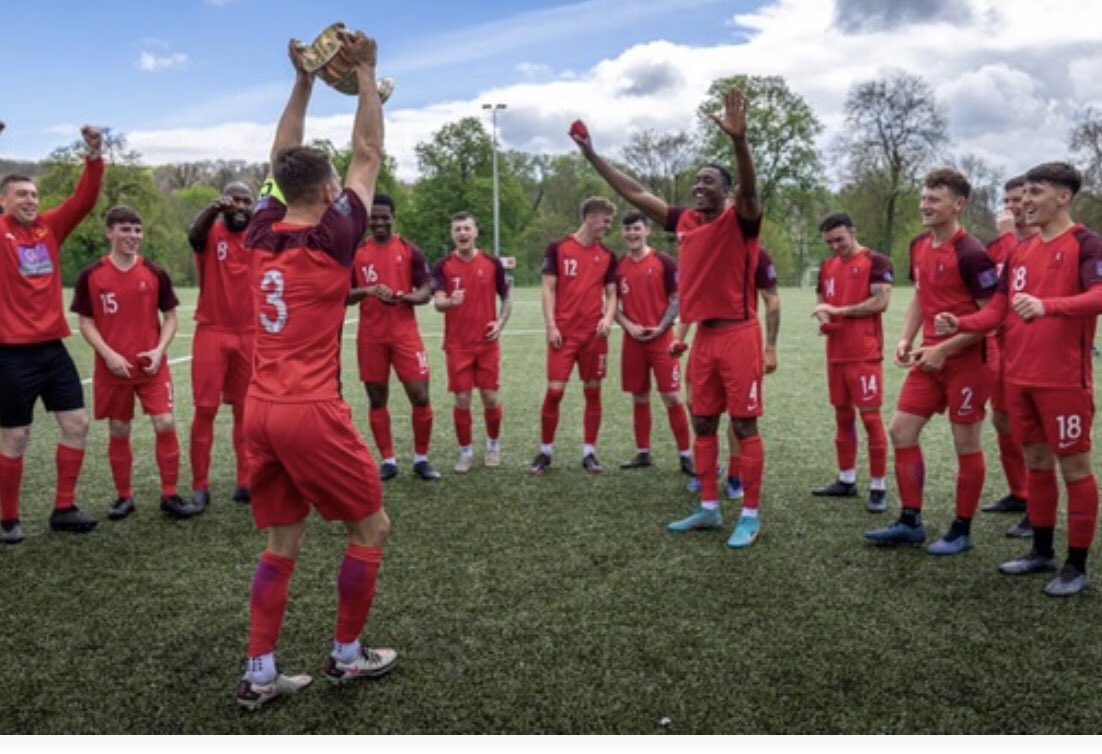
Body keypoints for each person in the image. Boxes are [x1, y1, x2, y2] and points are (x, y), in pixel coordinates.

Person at [236, 32, 397, 711]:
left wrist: (304, 80)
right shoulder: (334, 235)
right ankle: (348, 657)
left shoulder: (260, 229)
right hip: (308, 410)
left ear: (281, 188)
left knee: (282, 540)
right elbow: (367, 152)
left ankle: (261, 673)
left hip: (260, 410)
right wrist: (365, 72)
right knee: (371, 528)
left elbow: (281, 156)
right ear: (328, 190)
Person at [572, 89, 767, 548]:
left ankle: (750, 516)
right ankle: (709, 508)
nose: (699, 187)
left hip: (740, 335)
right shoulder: (682, 221)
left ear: (726, 190)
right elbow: (633, 190)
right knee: (703, 422)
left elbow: (751, 189)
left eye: (708, 182)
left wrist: (740, 143)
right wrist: (592, 154)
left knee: (743, 426)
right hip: (703, 339)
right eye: (695, 182)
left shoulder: (742, 219)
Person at [936, 161, 1102, 597]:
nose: (1024, 201)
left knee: (1076, 469)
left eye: (1035, 193)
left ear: (1063, 197)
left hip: (1064, 382)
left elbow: (1098, 295)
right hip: (1019, 379)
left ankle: (1077, 565)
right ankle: (1042, 551)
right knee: (1038, 465)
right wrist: (964, 322)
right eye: (1023, 193)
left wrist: (1050, 306)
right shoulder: (1018, 253)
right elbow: (998, 311)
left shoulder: (1086, 242)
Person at [865, 169, 998, 555]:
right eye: (924, 198)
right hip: (929, 356)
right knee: (902, 430)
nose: (925, 205)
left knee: (965, 444)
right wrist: (908, 337)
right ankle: (910, 521)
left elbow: (992, 318)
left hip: (970, 360)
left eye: (934, 199)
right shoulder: (919, 245)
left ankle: (961, 529)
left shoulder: (972, 253)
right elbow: (922, 296)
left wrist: (947, 347)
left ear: (958, 204)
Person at [0, 125, 103, 545]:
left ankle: (64, 507)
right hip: (9, 354)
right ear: (3, 200)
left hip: (51, 349)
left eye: (34, 195)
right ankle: (7, 518)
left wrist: (94, 155)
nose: (30, 201)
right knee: (16, 435)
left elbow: (84, 199)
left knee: (77, 423)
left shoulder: (48, 228)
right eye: (21, 195)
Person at [70, 205, 192, 519]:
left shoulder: (154, 272)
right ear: (109, 232)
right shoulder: (91, 275)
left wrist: (159, 349)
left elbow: (170, 317)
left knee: (165, 422)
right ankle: (124, 496)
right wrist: (108, 354)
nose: (133, 236)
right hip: (112, 369)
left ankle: (170, 494)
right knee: (120, 428)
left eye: (137, 230)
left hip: (151, 366)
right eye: (125, 229)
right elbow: (85, 322)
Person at [347, 194, 439, 481]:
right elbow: (344, 296)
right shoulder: (356, 252)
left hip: (404, 335)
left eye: (384, 216)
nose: (379, 222)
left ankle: (421, 459)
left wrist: (404, 297)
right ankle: (388, 461)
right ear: (367, 220)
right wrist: (369, 290)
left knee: (420, 395)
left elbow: (426, 291)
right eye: (374, 217)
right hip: (371, 337)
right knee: (377, 399)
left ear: (393, 217)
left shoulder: (410, 250)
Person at [527, 197, 618, 475]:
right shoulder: (558, 248)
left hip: (594, 335)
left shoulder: (608, 255)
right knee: (555, 391)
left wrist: (607, 317)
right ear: (590, 217)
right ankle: (545, 451)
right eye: (605, 220)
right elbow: (547, 289)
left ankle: (589, 452)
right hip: (563, 334)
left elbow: (613, 294)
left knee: (593, 390)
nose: (608, 225)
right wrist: (551, 325)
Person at [681, 246, 780, 500]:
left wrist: (770, 347)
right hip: (705, 337)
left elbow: (771, 299)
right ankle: (708, 473)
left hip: (739, 338)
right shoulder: (700, 250)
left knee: (740, 415)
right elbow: (690, 299)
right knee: (697, 407)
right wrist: (678, 338)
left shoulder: (756, 253)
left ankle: (736, 476)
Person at [810, 212, 893, 513]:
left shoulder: (876, 261)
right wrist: (823, 313)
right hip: (836, 354)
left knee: (870, 419)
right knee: (842, 417)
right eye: (829, 242)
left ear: (853, 232)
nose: (835, 246)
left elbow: (881, 302)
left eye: (840, 240)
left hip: (865, 354)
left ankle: (878, 486)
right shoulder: (827, 266)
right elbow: (822, 298)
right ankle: (846, 480)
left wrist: (839, 310)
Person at [186, 181, 256, 511]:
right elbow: (193, 234)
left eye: (247, 201)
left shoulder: (260, 237)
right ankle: (200, 486)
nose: (240, 206)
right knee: (205, 409)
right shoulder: (210, 232)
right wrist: (214, 207)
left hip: (249, 333)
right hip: (212, 331)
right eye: (235, 200)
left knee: (246, 410)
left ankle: (246, 481)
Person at [980, 175, 1037, 539]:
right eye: (1009, 199)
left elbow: (1029, 284)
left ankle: (1037, 504)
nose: (1013, 205)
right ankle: (1019, 493)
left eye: (1020, 198)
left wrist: (1007, 238)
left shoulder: (1036, 242)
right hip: (1001, 345)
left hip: (1033, 348)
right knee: (1001, 420)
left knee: (1031, 430)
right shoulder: (994, 247)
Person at [431, 212, 511, 472]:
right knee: (462, 399)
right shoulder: (442, 265)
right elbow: (438, 302)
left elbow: (507, 298)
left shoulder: (492, 263)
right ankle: (465, 452)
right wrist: (449, 302)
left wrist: (499, 323)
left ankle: (493, 445)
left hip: (486, 344)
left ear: (476, 232)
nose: (462, 233)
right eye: (457, 230)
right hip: (457, 345)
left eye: (467, 228)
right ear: (452, 235)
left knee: (489, 396)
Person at [613, 211, 692, 474]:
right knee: (639, 396)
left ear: (647, 231)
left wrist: (661, 327)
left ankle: (685, 454)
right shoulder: (618, 267)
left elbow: (676, 298)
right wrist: (629, 325)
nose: (632, 234)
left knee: (671, 395)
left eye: (636, 228)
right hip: (633, 341)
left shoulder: (664, 262)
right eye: (627, 230)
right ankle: (643, 452)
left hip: (662, 340)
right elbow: (611, 305)